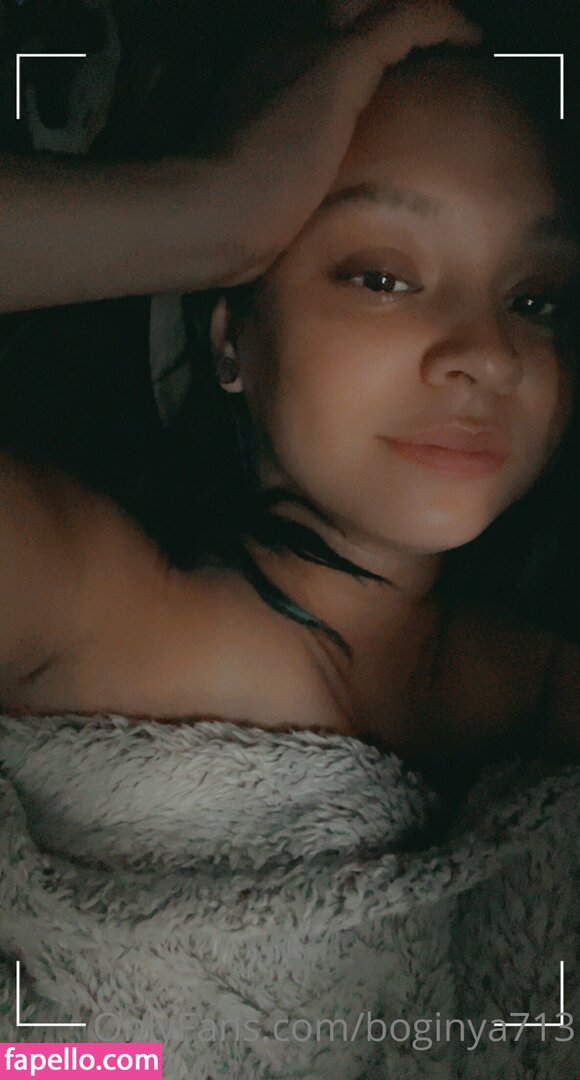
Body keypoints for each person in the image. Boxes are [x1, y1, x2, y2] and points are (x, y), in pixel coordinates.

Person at [0, 4, 579, 799]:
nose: (489, 355)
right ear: (230, 340)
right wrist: (212, 213)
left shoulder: (540, 686)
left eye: (535, 300)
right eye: (381, 278)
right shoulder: (82, 602)